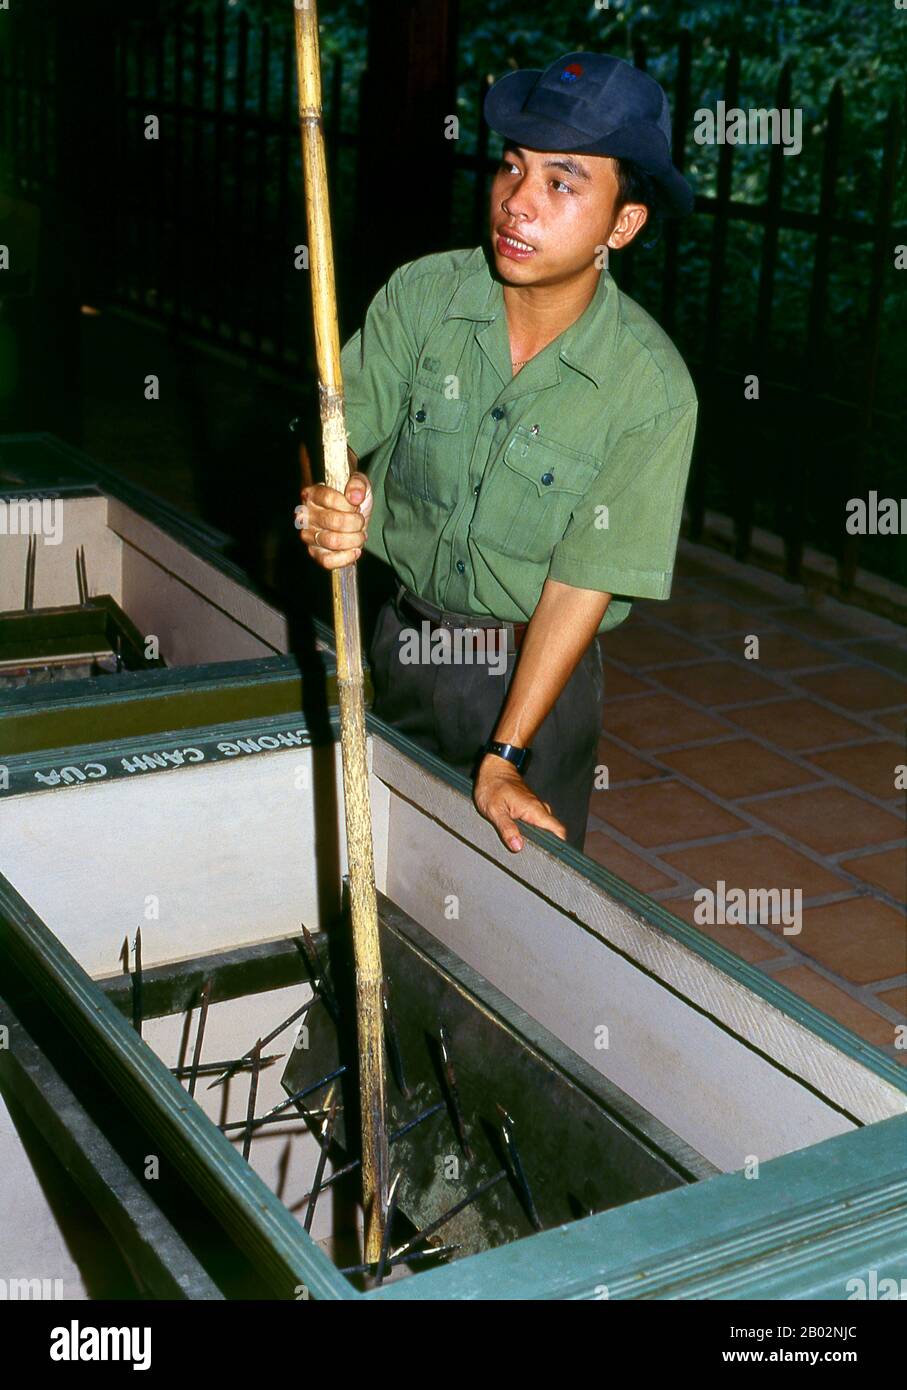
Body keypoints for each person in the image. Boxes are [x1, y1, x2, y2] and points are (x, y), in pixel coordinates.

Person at [296, 52, 698, 855]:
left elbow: (580, 583)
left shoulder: (649, 392)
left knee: (511, 935)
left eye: (562, 182)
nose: (516, 202)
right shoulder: (425, 296)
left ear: (622, 224)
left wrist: (505, 755)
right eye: (511, 167)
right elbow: (327, 428)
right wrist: (329, 499)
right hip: (398, 645)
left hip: (533, 687)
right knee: (379, 874)